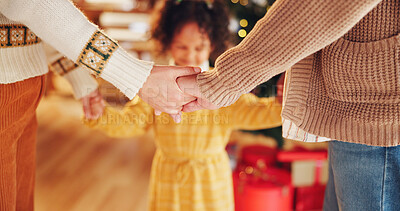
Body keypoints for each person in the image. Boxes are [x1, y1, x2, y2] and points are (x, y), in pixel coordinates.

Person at [175, 0, 400, 210]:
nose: (189, 54)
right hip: (354, 115)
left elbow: (319, 8)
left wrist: (223, 82)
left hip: (377, 118)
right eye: (182, 47)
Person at [0, 0, 198, 210]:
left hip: (23, 95)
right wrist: (136, 76)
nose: (190, 54)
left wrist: (81, 81)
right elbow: (34, 6)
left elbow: (37, 24)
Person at [84, 1, 282, 210]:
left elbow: (254, 112)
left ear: (212, 44)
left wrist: (284, 105)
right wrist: (101, 115)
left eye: (199, 47)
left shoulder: (220, 85)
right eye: (182, 46)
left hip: (210, 179)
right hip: (169, 177)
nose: (189, 55)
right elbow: (132, 121)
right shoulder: (155, 86)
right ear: (168, 42)